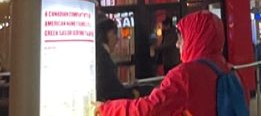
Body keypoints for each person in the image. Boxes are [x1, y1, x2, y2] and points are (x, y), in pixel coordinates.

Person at [97, 10, 241, 114]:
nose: (177, 45)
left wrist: (105, 109)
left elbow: (150, 109)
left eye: (181, 39)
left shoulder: (185, 75)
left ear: (194, 39)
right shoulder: (229, 70)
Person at [96, 18, 134, 102]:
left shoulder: (98, 53)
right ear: (107, 34)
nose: (117, 39)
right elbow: (111, 88)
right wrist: (131, 94)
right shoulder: (103, 58)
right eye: (114, 33)